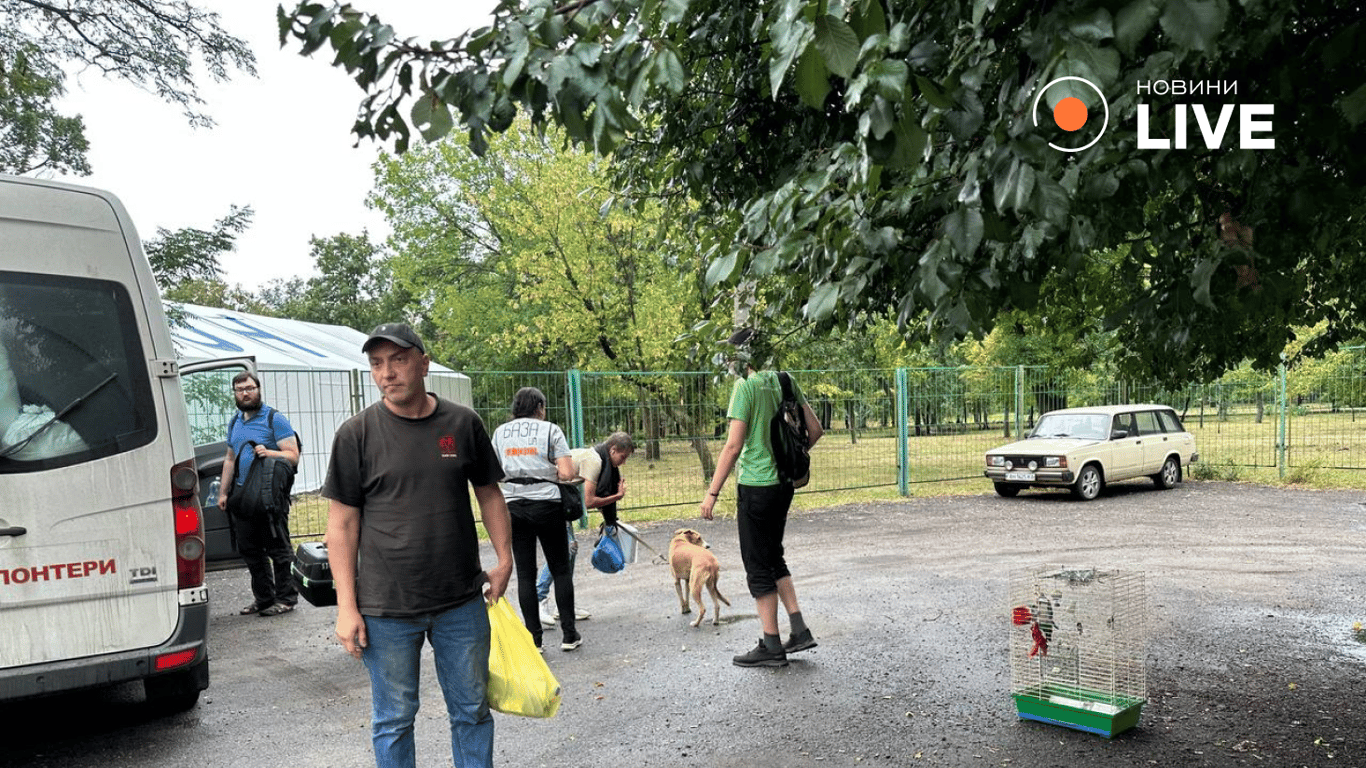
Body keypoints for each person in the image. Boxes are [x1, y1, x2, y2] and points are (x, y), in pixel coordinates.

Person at [321, 323, 513, 768]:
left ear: (424, 364)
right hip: (386, 607)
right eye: (376, 363)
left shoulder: (462, 424)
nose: (387, 372)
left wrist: (504, 559)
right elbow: (342, 525)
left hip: (461, 601)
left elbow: (489, 493)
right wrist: (346, 607)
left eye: (398, 360)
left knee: (471, 711)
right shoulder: (356, 434)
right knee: (394, 719)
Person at [700, 328, 824, 668]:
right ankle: (798, 629)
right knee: (773, 556)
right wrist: (789, 456)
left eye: (730, 354)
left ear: (741, 355)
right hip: (784, 484)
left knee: (757, 565)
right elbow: (815, 431)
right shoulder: (785, 380)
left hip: (756, 488)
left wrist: (712, 492)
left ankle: (771, 644)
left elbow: (733, 445)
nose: (727, 361)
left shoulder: (745, 388)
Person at [490, 386, 582, 652]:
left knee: (525, 574)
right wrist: (550, 469)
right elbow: (566, 473)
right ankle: (569, 635)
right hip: (548, 505)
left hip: (514, 506)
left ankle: (535, 640)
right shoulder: (550, 430)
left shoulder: (500, 433)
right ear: (539, 406)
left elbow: (494, 473)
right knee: (560, 570)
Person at [218, 371, 300, 617]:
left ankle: (286, 598)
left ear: (258, 389)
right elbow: (229, 459)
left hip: (269, 497)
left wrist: (270, 452)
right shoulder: (235, 422)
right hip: (243, 496)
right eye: (240, 389)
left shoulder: (274, 419)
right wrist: (223, 493)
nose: (246, 393)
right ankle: (264, 598)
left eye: (250, 388)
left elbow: (293, 455)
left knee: (278, 548)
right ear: (234, 393)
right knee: (250, 550)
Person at [536, 431, 636, 626]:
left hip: (559, 498)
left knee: (570, 550)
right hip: (548, 499)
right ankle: (539, 599)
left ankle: (564, 603)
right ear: (613, 450)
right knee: (565, 549)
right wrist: (617, 496)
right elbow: (589, 501)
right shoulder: (595, 461)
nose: (623, 463)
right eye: (622, 457)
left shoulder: (599, 457)